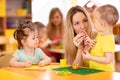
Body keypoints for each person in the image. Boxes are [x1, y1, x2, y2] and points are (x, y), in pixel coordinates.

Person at [82, 4, 119, 71]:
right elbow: (98, 48)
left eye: (94, 21)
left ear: (102, 24)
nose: (93, 23)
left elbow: (108, 59)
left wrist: (90, 57)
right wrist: (90, 42)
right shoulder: (100, 34)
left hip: (104, 73)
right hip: (96, 70)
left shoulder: (108, 40)